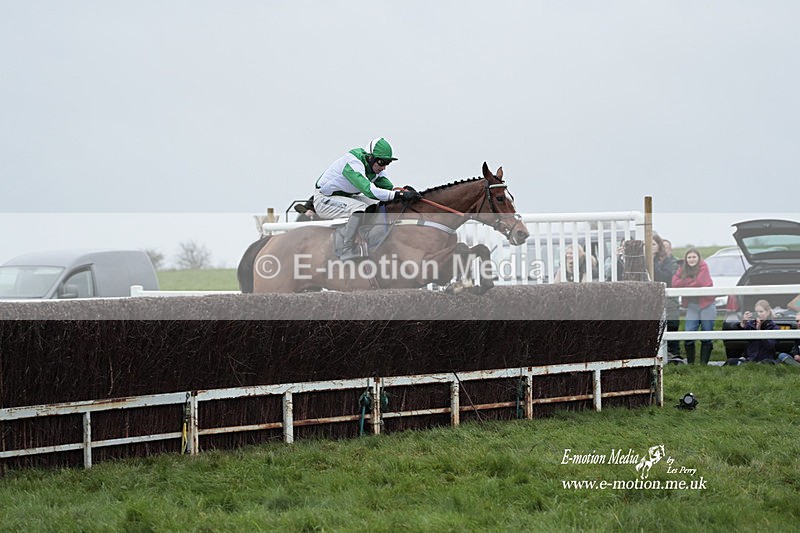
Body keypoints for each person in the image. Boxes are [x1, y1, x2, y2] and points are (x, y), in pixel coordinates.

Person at [313, 138, 421, 260]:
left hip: (347, 197)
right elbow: (370, 191)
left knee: (379, 205)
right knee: (361, 209)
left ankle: (371, 241)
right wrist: (399, 195)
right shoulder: (353, 163)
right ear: (370, 158)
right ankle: (346, 248)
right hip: (324, 200)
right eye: (382, 162)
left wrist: (403, 191)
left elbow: (389, 190)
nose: (384, 167)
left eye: (387, 163)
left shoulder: (376, 170)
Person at [672, 247, 715, 365]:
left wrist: (685, 282)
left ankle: (703, 364)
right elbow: (675, 283)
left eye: (694, 257)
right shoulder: (682, 268)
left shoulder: (704, 266)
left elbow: (700, 283)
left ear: (698, 257)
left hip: (707, 304)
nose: (691, 260)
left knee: (707, 333)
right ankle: (691, 364)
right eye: (689, 257)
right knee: (689, 332)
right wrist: (690, 281)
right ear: (686, 259)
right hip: (692, 305)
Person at [725, 300, 779, 365]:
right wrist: (743, 323)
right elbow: (739, 336)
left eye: (761, 311)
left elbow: (771, 345)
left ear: (767, 312)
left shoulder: (773, 327)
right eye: (756, 312)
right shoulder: (751, 324)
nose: (758, 314)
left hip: (766, 359)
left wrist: (759, 332)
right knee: (731, 361)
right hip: (751, 359)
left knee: (767, 363)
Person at [653, 235, 680, 357]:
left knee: (672, 325)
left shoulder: (667, 261)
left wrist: (652, 262)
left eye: (653, 244)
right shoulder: (644, 260)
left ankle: (674, 354)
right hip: (652, 300)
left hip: (667, 298)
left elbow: (664, 278)